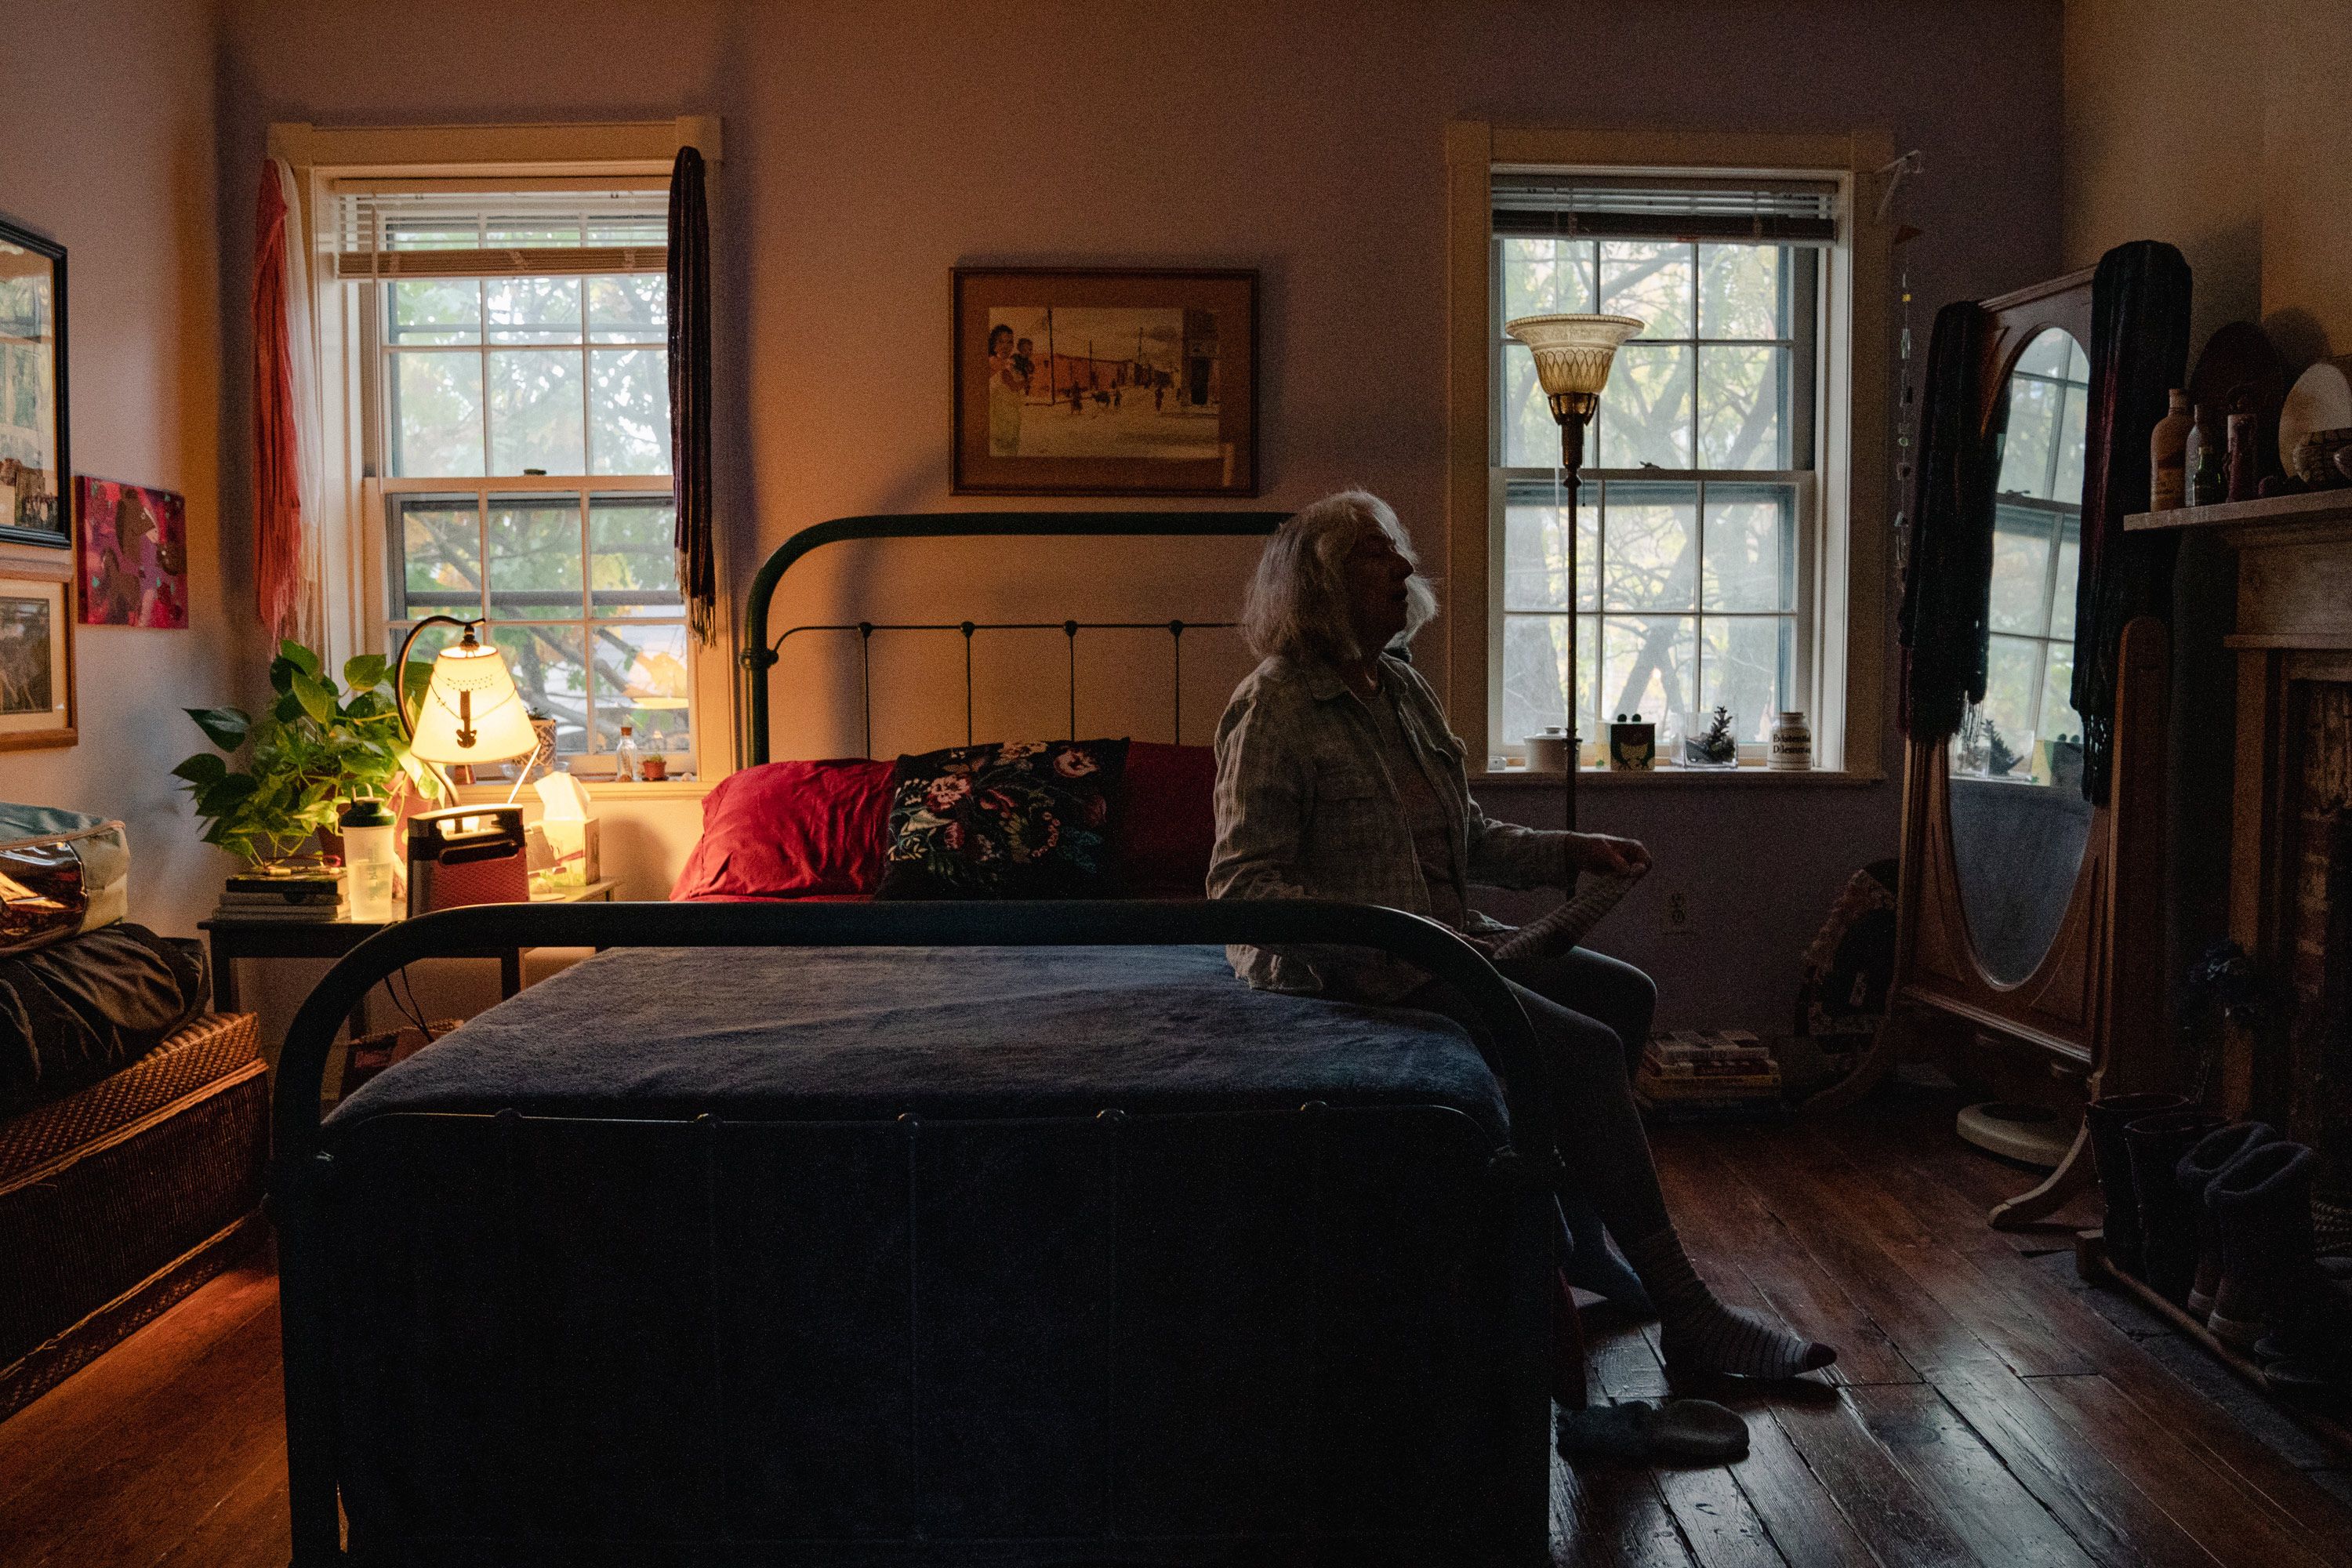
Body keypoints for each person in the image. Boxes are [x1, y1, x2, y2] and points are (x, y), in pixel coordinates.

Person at [1208, 490, 1835, 1383]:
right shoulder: (1273, 707)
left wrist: (1571, 851)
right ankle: (1690, 1312)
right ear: (1320, 581)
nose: (1403, 566)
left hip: (1450, 945)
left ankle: (1582, 1236)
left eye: (1401, 548)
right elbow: (1241, 888)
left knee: (1627, 995)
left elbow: (1470, 838)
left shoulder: (1403, 691)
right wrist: (1380, 939)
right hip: (1358, 976)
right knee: (1576, 1051)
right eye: (1375, 553)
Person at [985, 325, 1022, 456]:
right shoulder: (991, 363)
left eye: (1009, 342)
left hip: (1012, 418)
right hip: (997, 420)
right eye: (1001, 341)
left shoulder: (1010, 364)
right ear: (994, 344)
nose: (1006, 346)